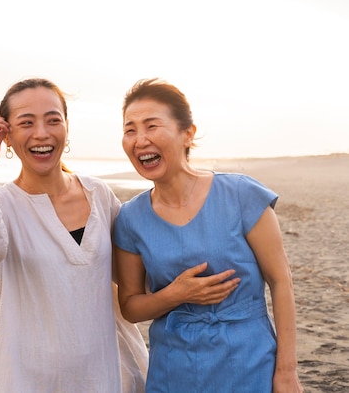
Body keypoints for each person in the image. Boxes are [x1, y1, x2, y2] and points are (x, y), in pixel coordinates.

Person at [0, 78, 148, 392]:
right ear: (7, 135)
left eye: (53, 120)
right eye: (26, 123)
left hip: (106, 372)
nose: (42, 134)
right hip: (33, 377)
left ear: (66, 128)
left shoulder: (98, 193)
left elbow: (133, 273)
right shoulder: (1, 205)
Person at [113, 78, 303, 392]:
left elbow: (281, 281)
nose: (140, 139)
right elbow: (131, 307)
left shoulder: (241, 194)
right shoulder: (130, 218)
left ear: (187, 133)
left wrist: (286, 371)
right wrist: (177, 294)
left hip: (250, 361)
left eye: (151, 126)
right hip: (173, 369)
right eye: (130, 129)